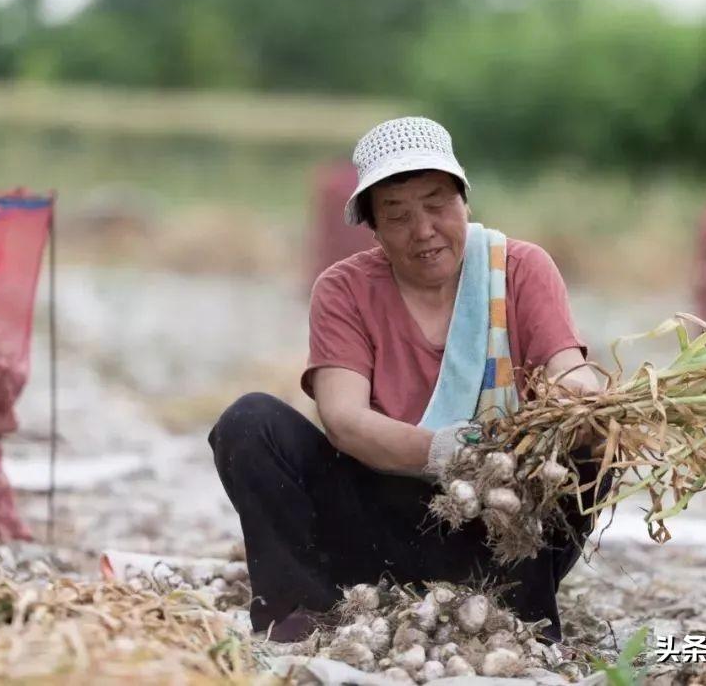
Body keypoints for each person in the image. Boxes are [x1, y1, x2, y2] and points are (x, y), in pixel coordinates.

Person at [209, 117, 606, 644]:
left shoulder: (520, 269)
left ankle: (519, 614)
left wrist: (589, 402)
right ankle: (302, 615)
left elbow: (567, 371)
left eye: (437, 205)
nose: (423, 230)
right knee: (250, 422)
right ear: (372, 227)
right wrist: (450, 452)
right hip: (371, 528)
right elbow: (344, 420)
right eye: (396, 215)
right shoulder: (345, 290)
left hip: (499, 531)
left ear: (465, 202)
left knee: (596, 439)